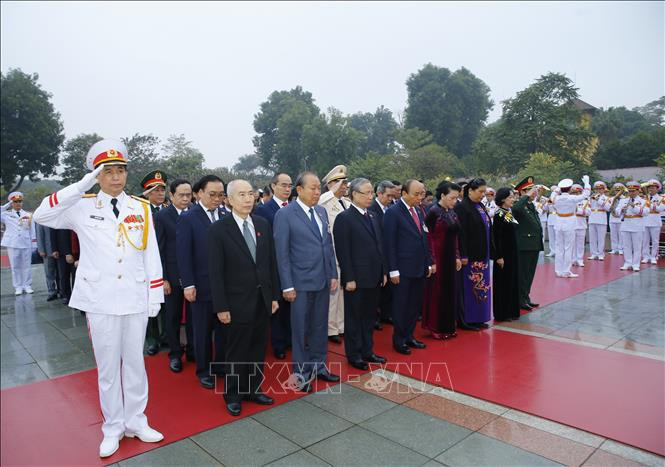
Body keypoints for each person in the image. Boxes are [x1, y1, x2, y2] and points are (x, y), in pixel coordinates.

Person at [33, 139, 164, 458]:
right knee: (108, 367)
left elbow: (151, 254)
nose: (116, 177)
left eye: (121, 170)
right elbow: (41, 214)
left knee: (134, 363)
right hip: (100, 299)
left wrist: (155, 294)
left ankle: (136, 420)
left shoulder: (141, 207)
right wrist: (81, 185)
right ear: (97, 175)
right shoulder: (81, 205)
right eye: (108, 172)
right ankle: (113, 427)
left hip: (134, 296)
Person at [208, 179, 280, 416]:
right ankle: (233, 394)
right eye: (242, 195)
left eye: (251, 194)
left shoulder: (262, 224)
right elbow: (215, 272)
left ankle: (252, 388)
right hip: (235, 302)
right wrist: (221, 306)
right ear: (228, 200)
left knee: (258, 347)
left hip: (262, 299)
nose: (248, 199)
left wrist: (274, 296)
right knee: (237, 351)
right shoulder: (219, 229)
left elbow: (270, 263)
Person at [273, 172, 339, 392]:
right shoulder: (285, 215)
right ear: (298, 190)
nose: (317, 192)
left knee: (320, 327)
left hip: (322, 280)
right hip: (299, 283)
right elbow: (281, 253)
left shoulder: (321, 211)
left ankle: (319, 366)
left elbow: (327, 246)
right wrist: (287, 285)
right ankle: (301, 373)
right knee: (300, 330)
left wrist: (332, 275)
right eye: (312, 188)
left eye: (319, 188)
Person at [176, 175, 228, 389]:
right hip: (201, 285)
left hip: (225, 285)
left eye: (220, 195)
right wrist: (188, 284)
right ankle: (204, 370)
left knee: (224, 328)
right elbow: (183, 254)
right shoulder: (189, 218)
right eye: (212, 194)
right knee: (202, 331)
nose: (217, 199)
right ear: (199, 194)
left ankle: (221, 365)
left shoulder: (226, 215)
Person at [333, 178, 387, 370]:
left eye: (372, 192)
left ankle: (367, 350)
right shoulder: (344, 218)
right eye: (366, 193)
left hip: (374, 276)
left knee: (369, 317)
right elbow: (343, 251)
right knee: (354, 318)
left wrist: (383, 272)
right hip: (356, 279)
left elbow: (380, 246)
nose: (370, 196)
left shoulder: (373, 216)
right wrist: (349, 277)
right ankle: (354, 355)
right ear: (354, 194)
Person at [384, 179, 434, 354]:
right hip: (402, 269)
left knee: (414, 305)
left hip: (419, 267)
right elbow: (389, 243)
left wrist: (428, 262)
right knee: (401, 306)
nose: (420, 197)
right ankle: (399, 340)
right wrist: (393, 269)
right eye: (416, 194)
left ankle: (410, 336)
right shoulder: (393, 212)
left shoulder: (419, 211)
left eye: (422, 194)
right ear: (404, 194)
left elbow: (424, 238)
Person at [154, 178, 195, 373]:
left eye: (189, 195)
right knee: (173, 316)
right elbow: (158, 250)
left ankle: (195, 349)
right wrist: (163, 278)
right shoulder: (162, 217)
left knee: (196, 316)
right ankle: (175, 354)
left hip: (195, 275)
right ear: (172, 196)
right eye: (182, 195)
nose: (186, 198)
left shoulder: (196, 213)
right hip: (172, 275)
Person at [254, 172, 293, 359]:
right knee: (277, 305)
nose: (287, 189)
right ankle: (278, 343)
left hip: (293, 265)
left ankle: (290, 338)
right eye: (283, 185)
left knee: (292, 304)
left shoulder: (294, 208)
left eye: (290, 185)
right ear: (273, 186)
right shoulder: (263, 210)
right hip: (274, 265)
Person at [422, 181, 462, 339]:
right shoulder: (433, 212)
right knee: (437, 292)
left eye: (457, 198)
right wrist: (432, 260)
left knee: (450, 291)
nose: (455, 201)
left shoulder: (452, 212)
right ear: (443, 195)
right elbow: (428, 237)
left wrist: (457, 255)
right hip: (438, 256)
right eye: (452, 198)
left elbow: (456, 236)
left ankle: (449, 326)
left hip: (450, 256)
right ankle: (436, 327)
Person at [454, 178, 494, 329]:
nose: (483, 195)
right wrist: (463, 255)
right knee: (470, 288)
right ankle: (467, 320)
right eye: (480, 191)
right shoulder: (462, 208)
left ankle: (479, 317)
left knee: (482, 287)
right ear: (470, 190)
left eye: (484, 192)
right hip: (470, 256)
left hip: (482, 254)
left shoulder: (480, 206)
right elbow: (461, 234)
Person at [318, 165, 350, 344]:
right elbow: (321, 200)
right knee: (333, 294)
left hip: (345, 254)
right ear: (332, 184)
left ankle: (340, 325)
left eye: (345, 183)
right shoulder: (325, 201)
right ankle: (330, 329)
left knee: (342, 294)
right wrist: (333, 190)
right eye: (341, 183)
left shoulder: (345, 202)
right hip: (333, 254)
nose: (345, 187)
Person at [140, 170, 169, 356]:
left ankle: (166, 337)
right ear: (147, 193)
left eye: (162, 190)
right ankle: (152, 340)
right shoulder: (140, 212)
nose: (160, 194)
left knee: (166, 305)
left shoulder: (166, 211)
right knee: (149, 305)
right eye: (156, 190)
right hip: (145, 267)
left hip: (165, 264)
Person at [511, 177, 544, 311]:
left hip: (533, 245)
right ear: (522, 192)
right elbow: (516, 209)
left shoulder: (530, 205)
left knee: (529, 274)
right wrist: (526, 196)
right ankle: (520, 299)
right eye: (530, 189)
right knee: (523, 274)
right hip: (524, 245)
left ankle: (526, 297)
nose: (534, 191)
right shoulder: (519, 204)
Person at [368, 180, 395, 328]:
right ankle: (374, 318)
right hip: (377, 254)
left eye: (392, 196)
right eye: (388, 196)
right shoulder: (372, 209)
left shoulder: (391, 208)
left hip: (389, 253)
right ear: (379, 193)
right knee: (377, 289)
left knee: (388, 287)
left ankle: (386, 313)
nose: (390, 199)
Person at [492, 188, 521, 321]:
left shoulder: (508, 213)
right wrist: (498, 256)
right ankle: (503, 312)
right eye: (510, 197)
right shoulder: (499, 214)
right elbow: (496, 237)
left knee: (512, 281)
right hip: (504, 254)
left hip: (512, 252)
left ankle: (512, 310)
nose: (513, 199)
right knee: (504, 283)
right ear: (503, 199)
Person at [553, 176, 591, 278]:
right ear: (570, 189)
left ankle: (558, 270)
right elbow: (586, 194)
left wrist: (558, 188)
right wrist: (587, 183)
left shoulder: (555, 198)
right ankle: (566, 271)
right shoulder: (572, 198)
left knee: (559, 248)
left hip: (559, 222)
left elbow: (554, 193)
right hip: (569, 222)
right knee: (568, 248)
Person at [1, 192, 37, 295]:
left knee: (26, 265)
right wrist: (7, 205)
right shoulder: (6, 214)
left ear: (22, 202)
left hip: (26, 242)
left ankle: (27, 285)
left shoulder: (28, 215)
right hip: (13, 243)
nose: (18, 204)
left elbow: (32, 230)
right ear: (12, 203)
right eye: (15, 202)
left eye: (20, 201)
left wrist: (34, 244)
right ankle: (18, 286)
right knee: (15, 266)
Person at [615, 181, 647, 271]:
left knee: (637, 246)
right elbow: (616, 212)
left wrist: (634, 207)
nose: (631, 193)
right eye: (630, 191)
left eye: (633, 191)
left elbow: (646, 212)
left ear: (638, 191)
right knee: (626, 245)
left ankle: (636, 264)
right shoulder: (623, 200)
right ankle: (627, 262)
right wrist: (621, 210)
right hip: (625, 224)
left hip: (637, 225)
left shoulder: (643, 201)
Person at [35, 221, 59, 301]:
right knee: (49, 273)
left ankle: (61, 291)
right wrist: (41, 249)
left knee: (60, 273)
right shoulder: (42, 218)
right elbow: (39, 234)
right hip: (47, 250)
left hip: (59, 250)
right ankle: (51, 292)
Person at [586, 181, 611, 261]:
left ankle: (600, 254)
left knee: (601, 238)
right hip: (592, 218)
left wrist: (599, 200)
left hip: (601, 218)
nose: (598, 190)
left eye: (600, 189)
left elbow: (608, 208)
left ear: (604, 189)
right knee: (592, 238)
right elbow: (588, 207)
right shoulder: (591, 197)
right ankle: (593, 253)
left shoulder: (607, 198)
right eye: (597, 189)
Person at [642, 180, 665, 264]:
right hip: (645, 220)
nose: (651, 189)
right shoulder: (644, 198)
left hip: (655, 220)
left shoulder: (661, 198)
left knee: (655, 241)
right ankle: (645, 256)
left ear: (657, 189)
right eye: (650, 187)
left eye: (653, 187)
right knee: (645, 240)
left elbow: (659, 209)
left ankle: (653, 256)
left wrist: (649, 203)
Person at [572, 184, 591, 267]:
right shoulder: (570, 200)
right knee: (572, 244)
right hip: (571, 224)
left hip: (581, 224)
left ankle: (579, 259)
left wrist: (578, 211)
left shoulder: (585, 201)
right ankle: (573, 259)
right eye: (575, 192)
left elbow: (588, 212)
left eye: (578, 192)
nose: (577, 194)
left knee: (580, 244)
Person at [608, 183, 626, 255]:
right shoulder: (611, 198)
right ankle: (614, 249)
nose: (617, 192)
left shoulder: (625, 198)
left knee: (621, 235)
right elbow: (608, 207)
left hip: (620, 218)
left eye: (619, 190)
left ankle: (621, 249)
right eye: (616, 190)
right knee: (613, 234)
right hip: (612, 218)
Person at [545, 186, 559, 257]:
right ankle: (552, 251)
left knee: (557, 237)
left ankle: (558, 251)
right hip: (550, 218)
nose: (552, 192)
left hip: (557, 218)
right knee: (551, 237)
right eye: (551, 191)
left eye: (554, 191)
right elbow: (545, 209)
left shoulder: (559, 199)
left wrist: (553, 203)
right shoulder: (549, 200)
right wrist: (546, 203)